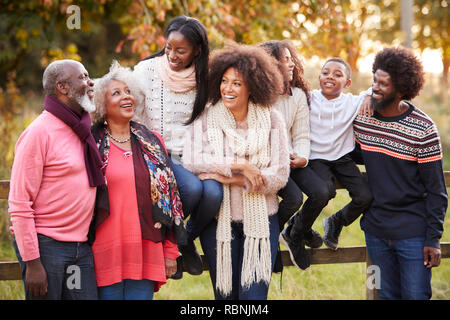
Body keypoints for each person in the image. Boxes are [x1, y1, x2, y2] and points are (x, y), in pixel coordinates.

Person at [183, 43, 290, 299]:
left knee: (253, 298)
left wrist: (222, 176)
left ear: (252, 86)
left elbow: (280, 174)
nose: (227, 89)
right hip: (219, 221)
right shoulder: (206, 118)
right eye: (224, 81)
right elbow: (191, 160)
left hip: (263, 219)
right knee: (226, 298)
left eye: (236, 84)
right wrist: (239, 167)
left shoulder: (273, 120)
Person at [353, 47, 448, 299]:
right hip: (375, 233)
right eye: (374, 80)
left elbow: (437, 191)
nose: (375, 87)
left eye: (383, 84)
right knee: (384, 296)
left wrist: (433, 239)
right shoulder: (362, 119)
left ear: (401, 89)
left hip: (413, 236)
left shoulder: (423, 128)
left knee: (416, 296)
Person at [133, 16, 222, 276]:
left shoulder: (207, 77)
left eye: (180, 51)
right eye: (169, 47)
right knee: (193, 190)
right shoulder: (146, 71)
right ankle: (174, 241)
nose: (172, 55)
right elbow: (132, 113)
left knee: (215, 194)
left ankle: (186, 239)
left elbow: (212, 119)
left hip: (196, 154)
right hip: (158, 153)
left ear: (197, 50)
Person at [89, 61, 186, 300]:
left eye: (128, 91)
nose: (126, 97)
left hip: (145, 249)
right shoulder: (90, 143)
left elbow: (171, 198)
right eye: (116, 93)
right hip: (104, 251)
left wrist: (170, 250)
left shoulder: (152, 142)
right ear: (102, 105)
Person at [8, 59, 103, 300]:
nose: (90, 82)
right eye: (82, 77)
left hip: (81, 246)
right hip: (46, 247)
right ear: (62, 87)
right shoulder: (38, 133)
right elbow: (20, 202)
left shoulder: (82, 128)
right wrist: (33, 262)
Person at [280, 57, 373, 269]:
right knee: (325, 192)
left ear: (347, 83)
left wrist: (368, 94)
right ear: (319, 77)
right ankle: (296, 231)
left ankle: (335, 221)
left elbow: (375, 85)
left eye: (338, 74)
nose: (330, 76)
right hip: (316, 157)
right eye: (325, 72)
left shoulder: (353, 101)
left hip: (343, 158)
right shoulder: (309, 99)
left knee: (365, 196)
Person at [260, 40, 323, 273]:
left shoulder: (296, 95)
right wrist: (280, 157)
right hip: (269, 162)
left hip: (293, 159)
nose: (291, 64)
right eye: (285, 60)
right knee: (294, 198)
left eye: (290, 59)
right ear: (270, 64)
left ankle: (293, 232)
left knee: (322, 192)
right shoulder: (258, 96)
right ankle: (270, 243)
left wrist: (302, 158)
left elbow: (302, 133)